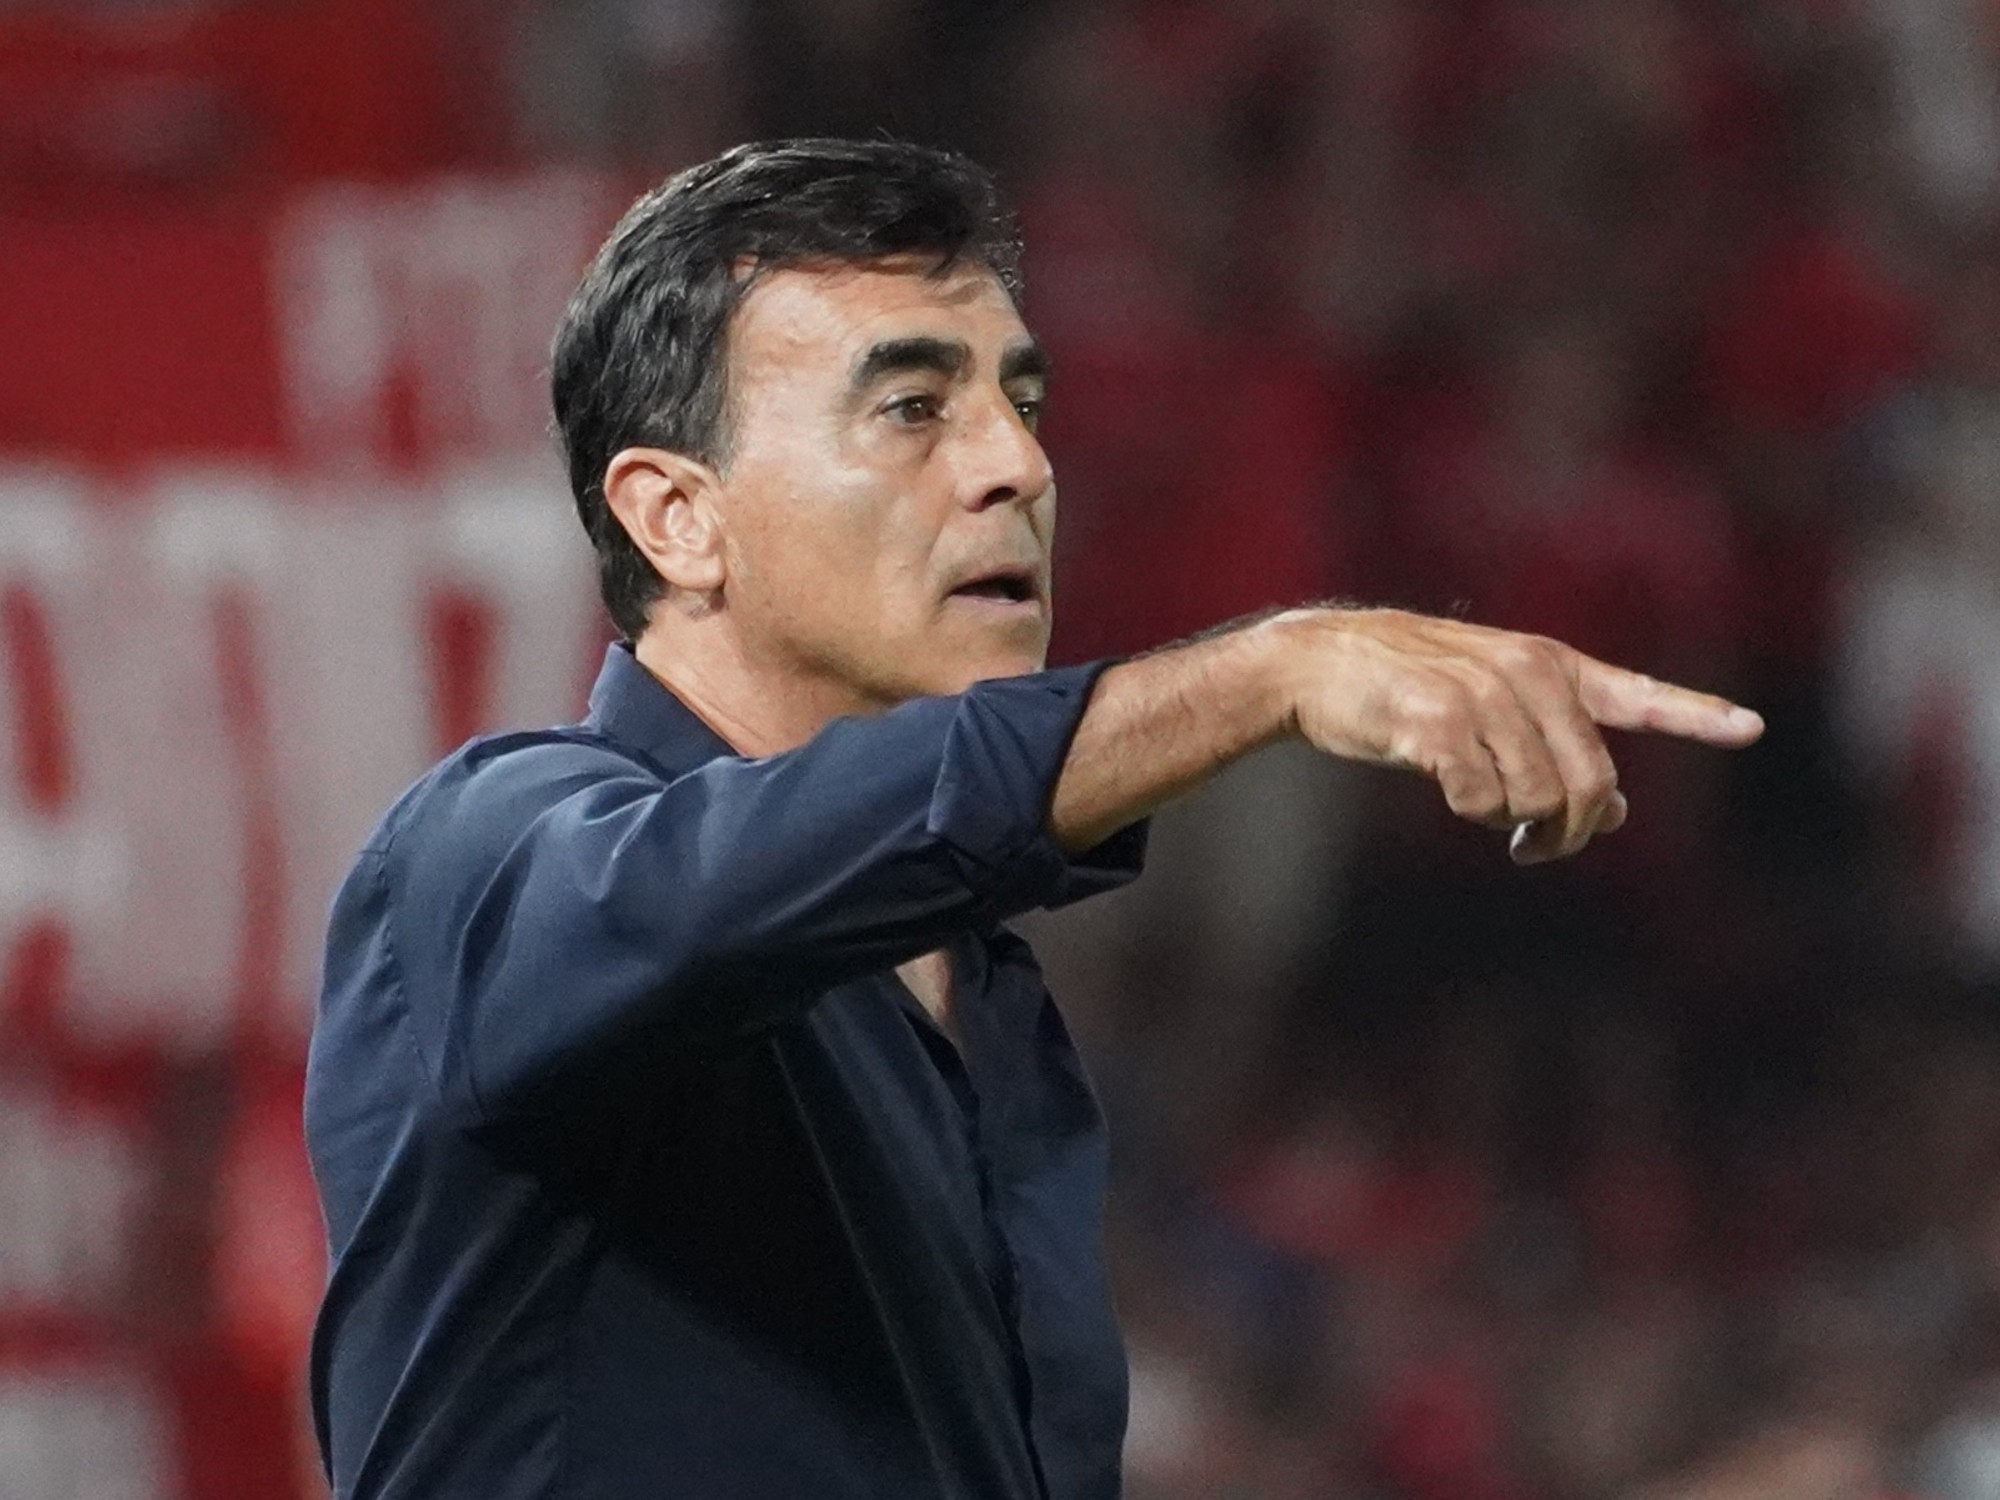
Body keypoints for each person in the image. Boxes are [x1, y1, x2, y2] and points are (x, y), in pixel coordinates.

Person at [303, 138, 1764, 1500]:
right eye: (913, 408)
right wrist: (1267, 671)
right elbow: (713, 895)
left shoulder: (992, 1011)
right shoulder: (484, 854)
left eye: (1023, 404)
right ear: (676, 518)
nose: (1017, 465)